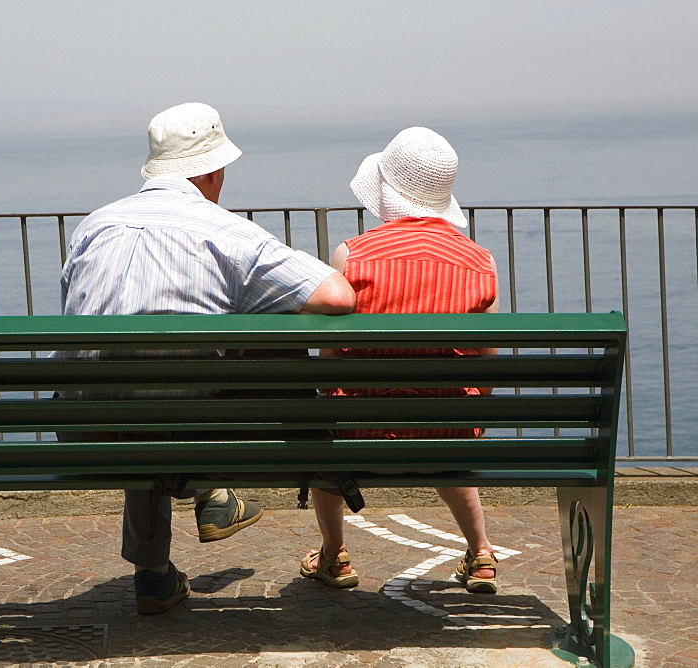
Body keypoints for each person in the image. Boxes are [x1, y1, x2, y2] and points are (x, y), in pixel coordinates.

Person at [59, 102, 355, 614]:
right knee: (213, 359)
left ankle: (154, 571)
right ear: (213, 171)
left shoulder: (94, 226)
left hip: (83, 421)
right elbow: (337, 297)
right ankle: (210, 488)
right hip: (176, 417)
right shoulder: (226, 231)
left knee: (139, 382)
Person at [300, 126, 500, 594]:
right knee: (447, 415)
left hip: (361, 429)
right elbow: (486, 363)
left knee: (325, 432)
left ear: (387, 194)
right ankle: (482, 552)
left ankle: (334, 556)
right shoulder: (480, 262)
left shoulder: (354, 255)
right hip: (446, 429)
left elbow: (331, 359)